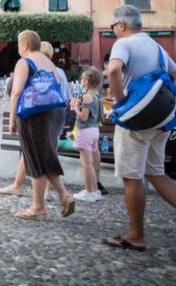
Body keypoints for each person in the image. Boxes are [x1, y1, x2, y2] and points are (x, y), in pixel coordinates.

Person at [103, 5, 176, 252]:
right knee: (156, 172)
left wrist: (121, 101)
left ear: (121, 25)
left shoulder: (123, 44)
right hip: (160, 121)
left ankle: (136, 235)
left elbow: (113, 69)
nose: (113, 30)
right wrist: (163, 101)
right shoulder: (156, 46)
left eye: (113, 26)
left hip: (136, 122)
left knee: (132, 177)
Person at [7, 30, 74, 221]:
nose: (19, 49)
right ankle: (63, 195)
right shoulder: (49, 63)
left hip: (34, 114)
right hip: (56, 112)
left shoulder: (25, 62)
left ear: (25, 45)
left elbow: (16, 92)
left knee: (35, 158)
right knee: (45, 155)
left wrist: (12, 119)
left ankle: (38, 208)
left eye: (19, 45)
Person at [71, 67, 104, 202]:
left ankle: (89, 191)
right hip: (94, 130)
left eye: (83, 78)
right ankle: (94, 190)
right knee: (91, 163)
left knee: (86, 164)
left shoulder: (86, 97)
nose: (81, 81)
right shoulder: (97, 96)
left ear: (88, 80)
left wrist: (74, 107)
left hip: (85, 131)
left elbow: (83, 117)